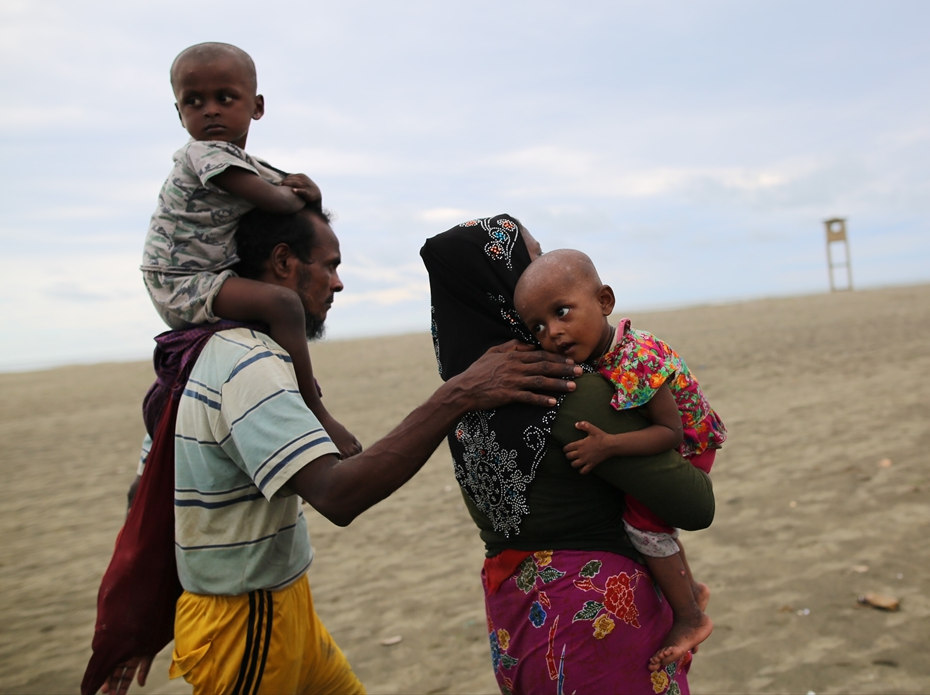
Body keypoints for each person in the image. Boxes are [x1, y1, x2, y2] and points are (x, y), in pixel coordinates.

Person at [101, 207, 582, 695]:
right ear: (284, 262)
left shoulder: (199, 353)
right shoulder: (247, 363)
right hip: (245, 624)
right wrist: (459, 395)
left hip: (283, 606)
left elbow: (145, 488)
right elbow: (336, 495)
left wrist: (149, 611)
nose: (338, 284)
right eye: (328, 265)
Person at [421, 216, 716, 695]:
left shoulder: (460, 395)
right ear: (503, 280)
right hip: (592, 620)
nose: (540, 266)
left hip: (517, 617)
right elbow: (695, 505)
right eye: (530, 259)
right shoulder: (561, 387)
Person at [139, 42, 360, 458]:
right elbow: (280, 198)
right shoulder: (201, 155)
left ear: (256, 106)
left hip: (207, 274)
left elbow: (285, 181)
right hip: (181, 281)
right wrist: (303, 196)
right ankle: (315, 409)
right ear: (178, 112)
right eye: (194, 101)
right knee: (283, 305)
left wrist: (306, 188)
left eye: (224, 98)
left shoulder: (239, 162)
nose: (210, 110)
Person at [513, 249, 726, 670]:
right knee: (650, 521)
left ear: (605, 302)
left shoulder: (634, 359)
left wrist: (609, 445)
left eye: (562, 312)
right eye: (538, 325)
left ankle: (689, 617)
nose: (553, 332)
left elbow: (670, 433)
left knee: (643, 525)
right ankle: (691, 589)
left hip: (692, 446)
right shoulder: (599, 353)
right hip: (670, 437)